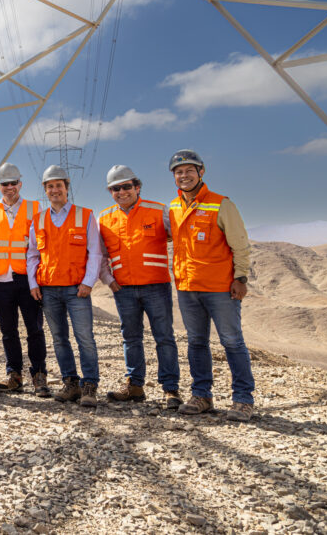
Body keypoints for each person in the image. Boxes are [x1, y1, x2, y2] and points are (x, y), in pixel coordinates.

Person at [167, 150, 255, 421]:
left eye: (189, 170)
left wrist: (241, 277)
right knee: (196, 342)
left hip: (220, 288)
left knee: (232, 342)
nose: (184, 176)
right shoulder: (173, 208)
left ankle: (243, 399)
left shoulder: (221, 204)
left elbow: (240, 244)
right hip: (187, 287)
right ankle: (201, 395)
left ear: (201, 172)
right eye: (178, 172)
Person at [98, 165, 182, 409]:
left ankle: (170, 389)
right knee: (131, 337)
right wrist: (108, 280)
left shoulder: (158, 210)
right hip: (123, 289)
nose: (122, 192)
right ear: (110, 192)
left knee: (164, 337)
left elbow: (181, 240)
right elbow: (100, 255)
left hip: (156, 286)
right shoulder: (104, 218)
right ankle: (135, 386)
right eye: (115, 188)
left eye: (126, 186)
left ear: (137, 187)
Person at [27, 165, 103, 407]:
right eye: (50, 186)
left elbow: (95, 252)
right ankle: (71, 383)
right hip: (49, 289)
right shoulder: (38, 220)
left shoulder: (85, 215)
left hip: (76, 289)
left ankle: (89, 385)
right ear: (45, 190)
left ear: (66, 188)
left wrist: (88, 282)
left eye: (58, 185)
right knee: (60, 339)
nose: (54, 190)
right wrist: (33, 283)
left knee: (85, 338)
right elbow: (32, 255)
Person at [0, 162, 49, 397]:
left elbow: (42, 244)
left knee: (34, 329)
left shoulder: (35, 208)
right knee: (8, 331)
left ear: (20, 184)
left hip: (27, 279)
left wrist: (39, 279)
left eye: (13, 183)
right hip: (0, 279)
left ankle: (39, 375)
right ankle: (14, 375)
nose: (9, 187)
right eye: (5, 184)